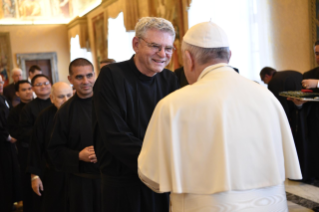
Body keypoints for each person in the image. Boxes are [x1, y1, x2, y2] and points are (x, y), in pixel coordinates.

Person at [138, 21, 302, 212]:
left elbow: (152, 176)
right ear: (229, 56)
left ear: (188, 59)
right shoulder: (266, 96)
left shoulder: (174, 104)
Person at [93, 17, 180, 212]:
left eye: (168, 48)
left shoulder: (170, 79)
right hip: (123, 184)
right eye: (155, 46)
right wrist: (159, 163)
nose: (162, 54)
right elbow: (115, 135)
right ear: (136, 44)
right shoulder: (112, 76)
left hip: (160, 182)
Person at [48, 58, 101, 212]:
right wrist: (78, 155)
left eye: (89, 75)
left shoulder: (110, 102)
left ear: (94, 75)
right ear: (70, 79)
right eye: (79, 77)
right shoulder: (65, 112)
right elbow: (54, 151)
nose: (85, 81)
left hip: (111, 180)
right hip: (81, 184)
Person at [27, 82, 72, 212]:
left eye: (69, 95)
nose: (66, 100)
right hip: (54, 173)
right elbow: (35, 147)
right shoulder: (44, 116)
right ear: (52, 98)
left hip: (78, 173)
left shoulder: (82, 111)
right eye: (61, 96)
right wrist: (34, 176)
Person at [17, 74, 52, 212]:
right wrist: (44, 134)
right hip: (37, 154)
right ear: (33, 89)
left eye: (46, 83)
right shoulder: (28, 108)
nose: (43, 86)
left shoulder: (58, 103)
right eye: (39, 84)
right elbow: (23, 132)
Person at [0, 75, 22, 212]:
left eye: (1, 82)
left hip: (8, 144)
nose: (1, 85)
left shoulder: (2, 98)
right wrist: (7, 136)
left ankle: (9, 202)